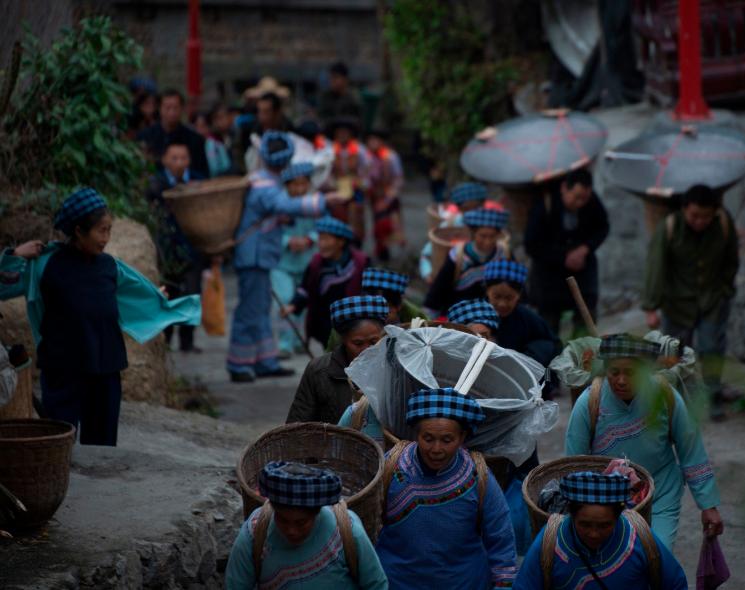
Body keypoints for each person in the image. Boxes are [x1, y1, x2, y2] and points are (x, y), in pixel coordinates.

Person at [0, 188, 200, 445]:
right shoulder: (44, 265)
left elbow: (137, 292)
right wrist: (15, 256)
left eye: (109, 230)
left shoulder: (109, 266)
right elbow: (5, 286)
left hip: (105, 368)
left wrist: (159, 300)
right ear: (79, 231)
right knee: (60, 444)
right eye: (101, 231)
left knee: (103, 445)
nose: (106, 238)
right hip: (62, 370)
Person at [564, 333, 724, 549]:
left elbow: (691, 449)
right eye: (614, 372)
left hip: (660, 491)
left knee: (657, 555)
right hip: (606, 501)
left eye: (631, 373)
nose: (621, 380)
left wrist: (708, 505)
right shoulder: (589, 402)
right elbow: (574, 464)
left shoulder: (665, 395)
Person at [374, 387, 517, 589]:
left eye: (447, 440)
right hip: (398, 582)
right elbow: (365, 525)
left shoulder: (478, 476)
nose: (436, 449)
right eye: (428, 438)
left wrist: (503, 584)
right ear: (416, 435)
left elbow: (501, 538)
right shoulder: (391, 467)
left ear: (462, 438)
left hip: (464, 583)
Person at [227, 132, 329, 383]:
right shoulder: (266, 185)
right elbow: (285, 205)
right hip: (255, 255)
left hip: (260, 255)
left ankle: (264, 360)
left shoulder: (264, 179)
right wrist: (323, 201)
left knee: (260, 309)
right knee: (250, 310)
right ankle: (238, 363)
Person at [641, 184, 738, 419]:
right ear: (684, 210)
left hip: (712, 299)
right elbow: (656, 266)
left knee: (712, 349)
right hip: (677, 303)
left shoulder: (723, 224)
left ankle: (713, 398)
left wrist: (725, 289)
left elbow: (731, 259)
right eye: (694, 215)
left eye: (705, 216)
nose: (699, 221)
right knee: (675, 354)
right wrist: (651, 306)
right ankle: (676, 401)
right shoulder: (670, 227)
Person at [225, 460, 388, 589]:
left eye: (301, 522)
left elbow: (376, 584)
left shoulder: (346, 530)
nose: (291, 531)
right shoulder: (255, 533)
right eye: (282, 520)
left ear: (317, 512)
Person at [514, 471, 688, 589]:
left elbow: (675, 583)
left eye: (604, 525)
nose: (594, 533)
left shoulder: (638, 538)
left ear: (619, 516)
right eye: (585, 524)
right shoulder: (550, 543)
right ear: (571, 515)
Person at [524, 168, 609, 337]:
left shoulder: (591, 202)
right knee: (547, 329)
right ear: (564, 188)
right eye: (576, 197)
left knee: (585, 328)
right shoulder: (545, 204)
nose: (580, 203)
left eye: (584, 198)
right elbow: (532, 245)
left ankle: (583, 360)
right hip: (549, 279)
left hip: (583, 276)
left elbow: (602, 227)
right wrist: (563, 257)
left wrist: (585, 248)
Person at [286, 295, 387, 424]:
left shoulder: (394, 369)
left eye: (373, 342)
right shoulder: (319, 371)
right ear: (343, 339)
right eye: (358, 343)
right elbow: (297, 425)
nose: (366, 350)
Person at [145, 141, 205, 352]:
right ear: (164, 160)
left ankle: (187, 341)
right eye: (174, 158)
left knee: (192, 294)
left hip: (191, 247)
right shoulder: (156, 184)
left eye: (184, 158)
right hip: (167, 249)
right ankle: (167, 339)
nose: (180, 163)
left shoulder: (198, 180)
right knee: (168, 294)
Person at [284, 217, 369, 349]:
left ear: (341, 241)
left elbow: (371, 292)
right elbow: (306, 288)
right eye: (320, 239)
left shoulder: (360, 263)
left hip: (353, 323)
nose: (321, 244)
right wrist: (293, 305)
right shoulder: (316, 264)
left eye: (326, 239)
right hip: (325, 325)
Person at [424, 208, 511, 315]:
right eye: (483, 236)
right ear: (473, 234)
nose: (487, 241)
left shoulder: (503, 254)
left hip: (494, 313)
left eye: (492, 236)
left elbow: (514, 287)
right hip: (460, 313)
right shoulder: (458, 255)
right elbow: (439, 289)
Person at [273, 161, 319, 358]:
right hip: (281, 263)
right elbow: (268, 231)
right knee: (284, 300)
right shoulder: (276, 203)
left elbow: (323, 227)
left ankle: (300, 339)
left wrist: (310, 239)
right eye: (295, 184)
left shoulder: (316, 203)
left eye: (303, 184)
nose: (299, 189)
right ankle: (284, 343)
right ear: (287, 184)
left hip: (307, 262)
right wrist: (287, 241)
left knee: (303, 304)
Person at [327, 267, 427, 351]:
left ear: (398, 307)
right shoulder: (346, 320)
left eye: (387, 310)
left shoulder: (416, 318)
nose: (381, 318)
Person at [483, 260, 561, 367]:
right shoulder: (476, 315)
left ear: (519, 295)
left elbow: (553, 344)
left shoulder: (527, 317)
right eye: (496, 297)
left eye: (509, 298)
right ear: (487, 291)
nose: (502, 304)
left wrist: (528, 358)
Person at [418, 182, 489, 282]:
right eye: (467, 208)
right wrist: (428, 273)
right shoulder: (450, 225)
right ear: (459, 208)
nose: (472, 212)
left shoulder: (490, 228)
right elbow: (426, 254)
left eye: (476, 208)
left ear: (483, 205)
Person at [136, 88, 209, 178]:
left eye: (175, 108)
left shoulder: (195, 139)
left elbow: (203, 173)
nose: (171, 112)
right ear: (159, 108)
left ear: (182, 109)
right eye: (167, 108)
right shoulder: (145, 136)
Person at [232, 89, 299, 174]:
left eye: (266, 112)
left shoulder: (290, 133)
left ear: (277, 113)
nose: (261, 116)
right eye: (260, 111)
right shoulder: (249, 134)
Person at [328, 117, 371, 247]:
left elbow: (368, 171)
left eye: (345, 132)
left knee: (356, 214)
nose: (342, 135)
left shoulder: (360, 150)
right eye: (339, 132)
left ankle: (356, 241)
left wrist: (362, 183)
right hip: (336, 189)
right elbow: (325, 172)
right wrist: (332, 184)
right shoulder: (329, 150)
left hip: (355, 188)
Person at [365, 129, 405, 261]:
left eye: (375, 140)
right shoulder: (368, 157)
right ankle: (381, 249)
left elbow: (398, 178)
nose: (373, 143)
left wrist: (388, 198)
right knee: (377, 224)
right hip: (375, 196)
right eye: (370, 140)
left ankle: (388, 251)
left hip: (389, 196)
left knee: (388, 224)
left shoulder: (391, 156)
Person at [317, 62, 364, 128]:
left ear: (345, 79)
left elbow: (359, 121)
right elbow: (321, 118)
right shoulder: (325, 96)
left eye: (336, 77)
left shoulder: (354, 98)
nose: (332, 81)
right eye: (331, 78)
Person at [192, 104, 233, 177]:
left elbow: (224, 166)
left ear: (209, 126)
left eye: (203, 126)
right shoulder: (192, 144)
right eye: (196, 126)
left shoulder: (214, 143)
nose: (199, 131)